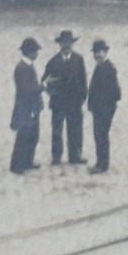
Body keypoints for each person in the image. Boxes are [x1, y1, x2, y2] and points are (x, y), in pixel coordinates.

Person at [41, 29, 88, 165]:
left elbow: (83, 79)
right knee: (57, 130)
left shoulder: (78, 59)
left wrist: (83, 96)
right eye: (64, 43)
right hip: (58, 102)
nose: (66, 46)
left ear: (72, 44)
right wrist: (52, 93)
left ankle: (75, 155)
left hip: (74, 102)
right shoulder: (53, 62)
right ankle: (56, 156)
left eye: (69, 43)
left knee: (76, 130)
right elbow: (46, 80)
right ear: (59, 45)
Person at [86, 38, 121, 173]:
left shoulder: (108, 68)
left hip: (104, 109)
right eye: (95, 52)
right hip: (99, 108)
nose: (97, 55)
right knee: (99, 135)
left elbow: (115, 93)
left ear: (105, 52)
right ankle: (101, 162)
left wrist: (103, 106)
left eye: (99, 52)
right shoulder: (101, 66)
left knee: (101, 135)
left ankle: (102, 165)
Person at [10, 37, 44, 174]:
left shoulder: (26, 66)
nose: (37, 53)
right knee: (23, 136)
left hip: (31, 107)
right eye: (35, 51)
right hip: (25, 108)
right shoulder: (22, 68)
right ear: (29, 52)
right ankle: (17, 165)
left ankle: (28, 161)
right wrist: (44, 85)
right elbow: (27, 90)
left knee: (33, 135)